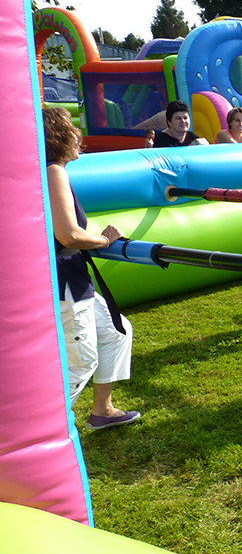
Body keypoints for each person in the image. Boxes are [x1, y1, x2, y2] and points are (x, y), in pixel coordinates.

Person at [44, 108, 139, 430]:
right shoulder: (53, 171)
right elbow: (68, 234)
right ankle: (40, 432)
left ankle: (103, 409)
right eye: (71, 126)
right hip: (64, 284)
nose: (77, 132)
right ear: (58, 135)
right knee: (80, 363)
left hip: (71, 279)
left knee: (116, 330)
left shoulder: (49, 171)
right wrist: (102, 239)